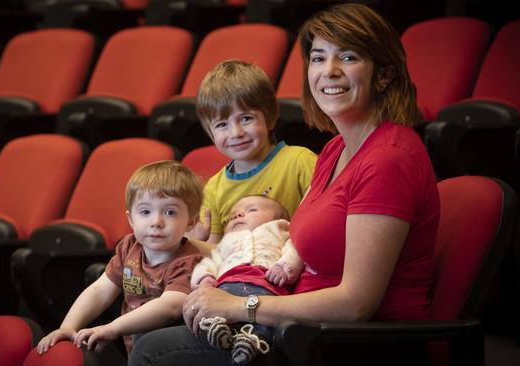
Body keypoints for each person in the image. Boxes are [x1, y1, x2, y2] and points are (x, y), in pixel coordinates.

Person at [129, 3, 440, 366]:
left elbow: (356, 304)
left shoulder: (388, 157)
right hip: (297, 327)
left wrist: (241, 305)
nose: (329, 71)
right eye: (319, 58)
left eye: (349, 57)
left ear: (384, 75)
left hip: (348, 344)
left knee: (152, 350)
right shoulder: (335, 150)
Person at [36, 160, 204, 359]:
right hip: (136, 348)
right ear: (131, 219)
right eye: (145, 212)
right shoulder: (129, 246)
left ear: (191, 222)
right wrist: (68, 326)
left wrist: (112, 328)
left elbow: (170, 307)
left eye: (170, 212)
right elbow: (99, 291)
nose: (156, 222)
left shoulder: (189, 261)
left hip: (168, 355)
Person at [189, 60, 317, 246]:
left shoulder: (300, 161)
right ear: (210, 133)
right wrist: (192, 245)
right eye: (222, 125)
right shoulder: (213, 189)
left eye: (246, 118)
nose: (236, 133)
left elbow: (327, 221)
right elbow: (215, 251)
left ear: (270, 118)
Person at [191, 195, 303, 364]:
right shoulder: (226, 242)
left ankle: (253, 340)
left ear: (279, 219)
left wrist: (285, 266)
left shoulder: (281, 231)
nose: (236, 216)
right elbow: (211, 261)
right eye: (231, 216)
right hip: (227, 286)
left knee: (265, 318)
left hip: (267, 282)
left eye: (251, 210)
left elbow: (295, 249)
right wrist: (205, 277)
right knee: (212, 310)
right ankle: (219, 332)